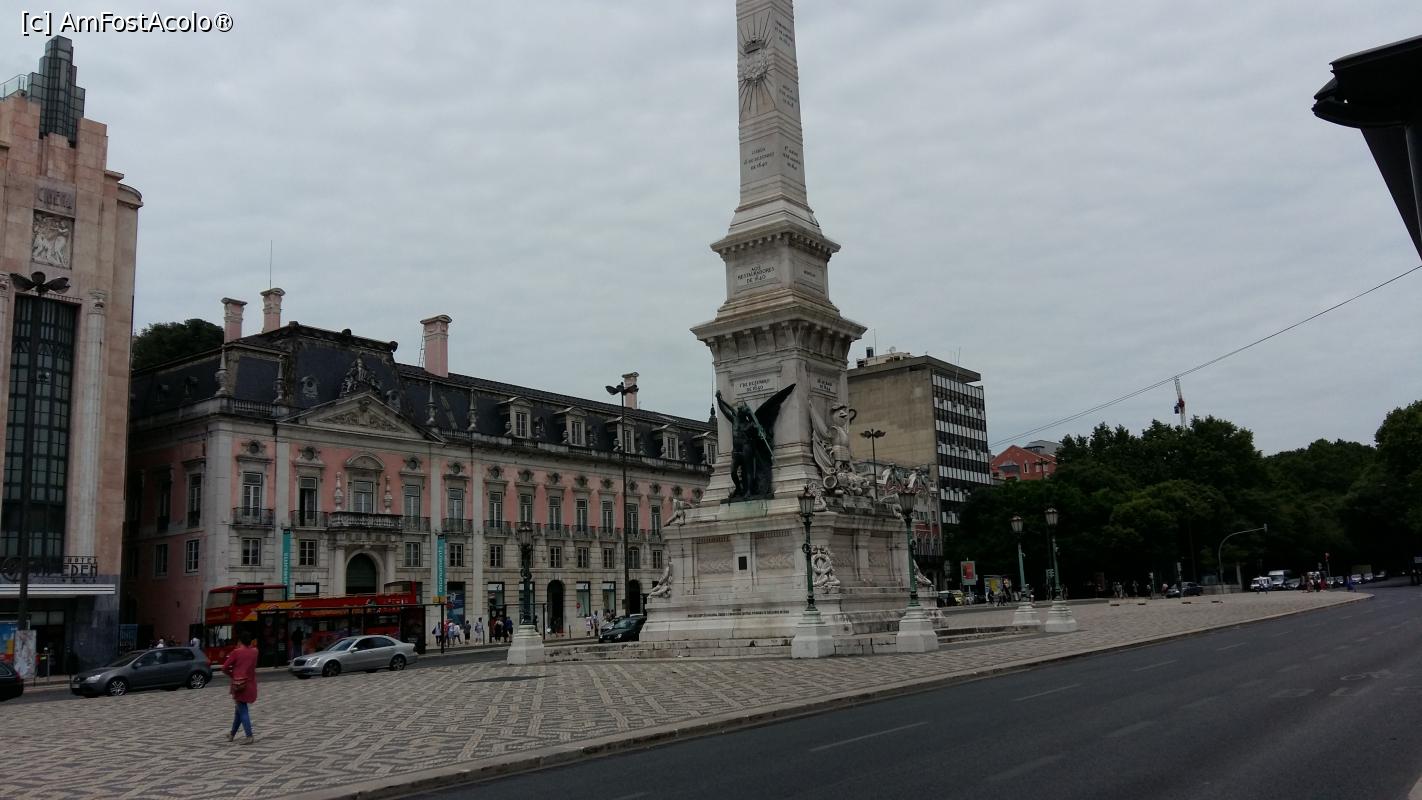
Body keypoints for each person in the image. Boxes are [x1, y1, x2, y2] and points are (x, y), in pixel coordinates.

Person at [222, 633, 259, 744]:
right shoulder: (255, 651)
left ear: (240, 641)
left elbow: (224, 668)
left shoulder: (236, 652)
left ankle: (249, 736)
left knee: (242, 710)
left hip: (239, 685)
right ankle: (232, 734)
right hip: (250, 684)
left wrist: (233, 675)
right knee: (239, 711)